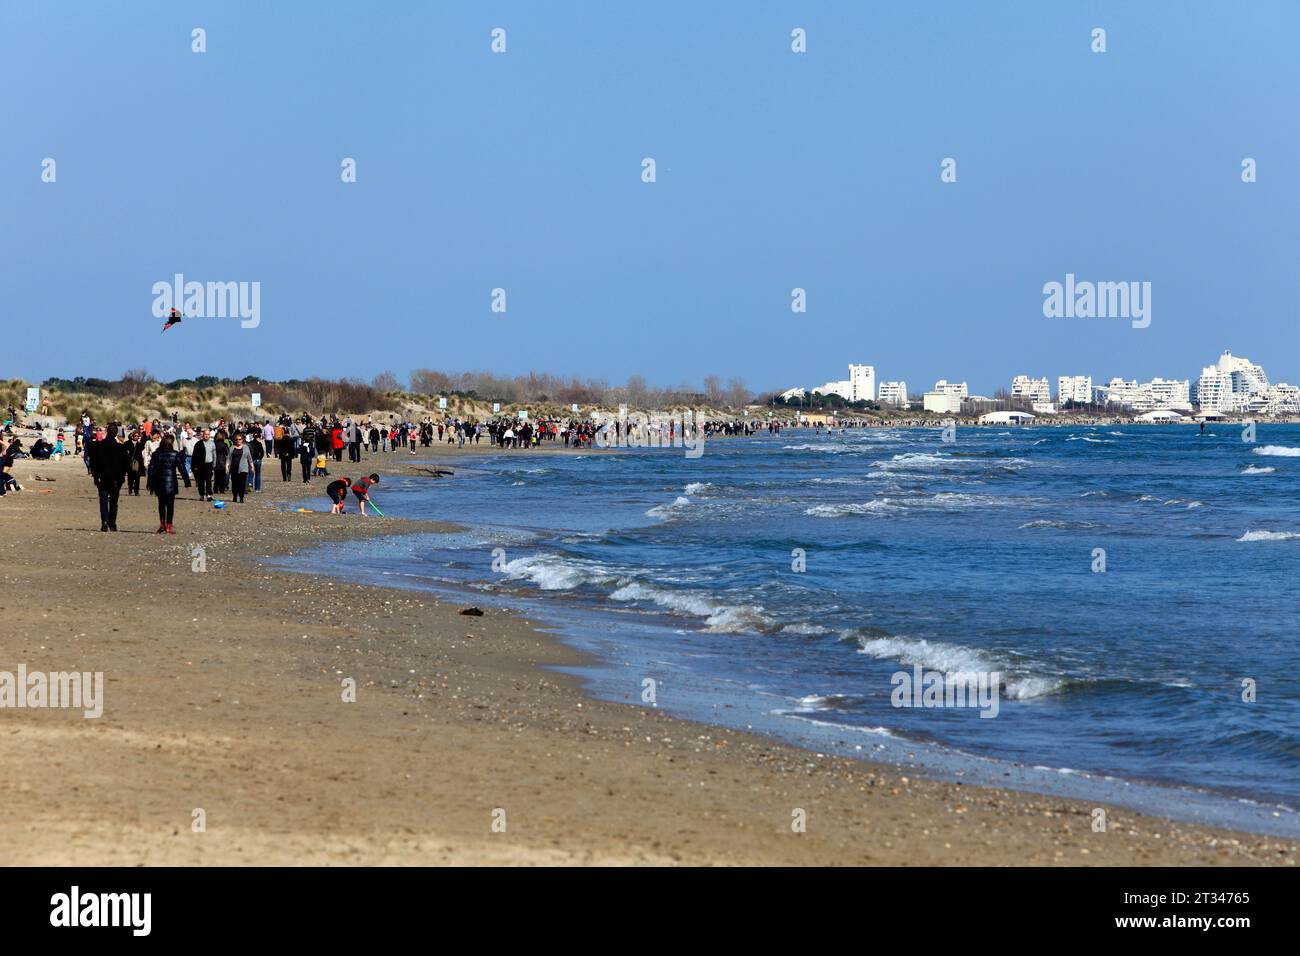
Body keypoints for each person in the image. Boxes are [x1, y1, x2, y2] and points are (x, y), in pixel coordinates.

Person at [88, 422, 130, 531]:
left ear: (107, 432)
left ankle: (105, 522)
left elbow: (93, 463)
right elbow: (126, 465)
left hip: (103, 478)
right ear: (116, 433)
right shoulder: (120, 448)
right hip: (114, 478)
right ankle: (112, 523)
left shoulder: (98, 445)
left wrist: (95, 475)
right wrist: (121, 477)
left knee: (104, 500)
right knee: (113, 502)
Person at [147, 433, 190, 533]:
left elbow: (151, 470)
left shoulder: (156, 454)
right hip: (171, 483)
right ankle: (169, 526)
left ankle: (162, 525)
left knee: (161, 504)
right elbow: (182, 469)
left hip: (159, 483)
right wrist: (187, 482)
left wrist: (150, 483)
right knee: (170, 505)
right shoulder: (175, 454)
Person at [228, 433, 252, 503]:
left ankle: (241, 497)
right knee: (235, 483)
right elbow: (229, 458)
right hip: (234, 468)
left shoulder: (246, 447)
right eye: (236, 439)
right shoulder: (232, 448)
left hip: (243, 468)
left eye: (239, 439)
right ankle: (235, 496)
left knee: (242, 483)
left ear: (242, 440)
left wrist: (251, 465)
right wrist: (227, 466)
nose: (238, 440)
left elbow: (249, 457)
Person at [192, 427, 215, 500]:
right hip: (200, 465)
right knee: (201, 481)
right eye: (205, 434)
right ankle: (202, 495)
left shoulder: (212, 444)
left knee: (208, 480)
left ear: (209, 435)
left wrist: (214, 465)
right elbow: (194, 456)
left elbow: (214, 455)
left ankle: (208, 495)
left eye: (208, 434)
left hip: (209, 464)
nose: (206, 436)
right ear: (203, 435)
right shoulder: (198, 444)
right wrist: (194, 466)